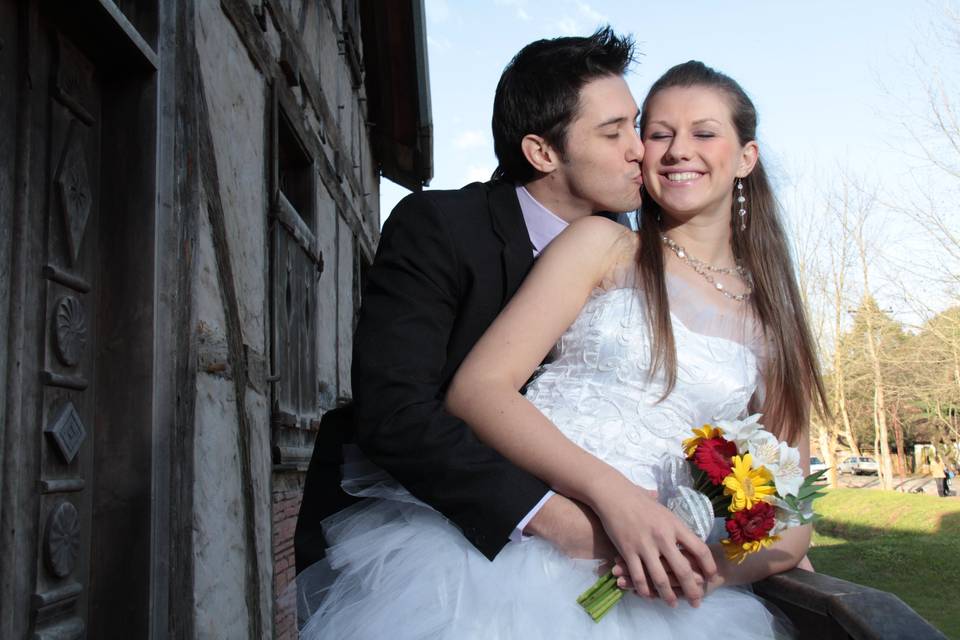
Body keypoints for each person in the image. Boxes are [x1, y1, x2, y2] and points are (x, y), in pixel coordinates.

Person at [297, 59, 827, 639]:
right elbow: (462, 392)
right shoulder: (601, 244)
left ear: (746, 157)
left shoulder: (774, 324)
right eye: (654, 133)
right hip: (510, 548)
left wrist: (700, 570)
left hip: (652, 577)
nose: (671, 150)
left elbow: (790, 516)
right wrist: (607, 501)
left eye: (704, 132)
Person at [295, 27, 684, 588]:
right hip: (410, 531)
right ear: (542, 151)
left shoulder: (635, 250)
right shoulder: (439, 227)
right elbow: (396, 413)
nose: (639, 149)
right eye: (613, 132)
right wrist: (556, 520)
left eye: (636, 125)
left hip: (595, 552)